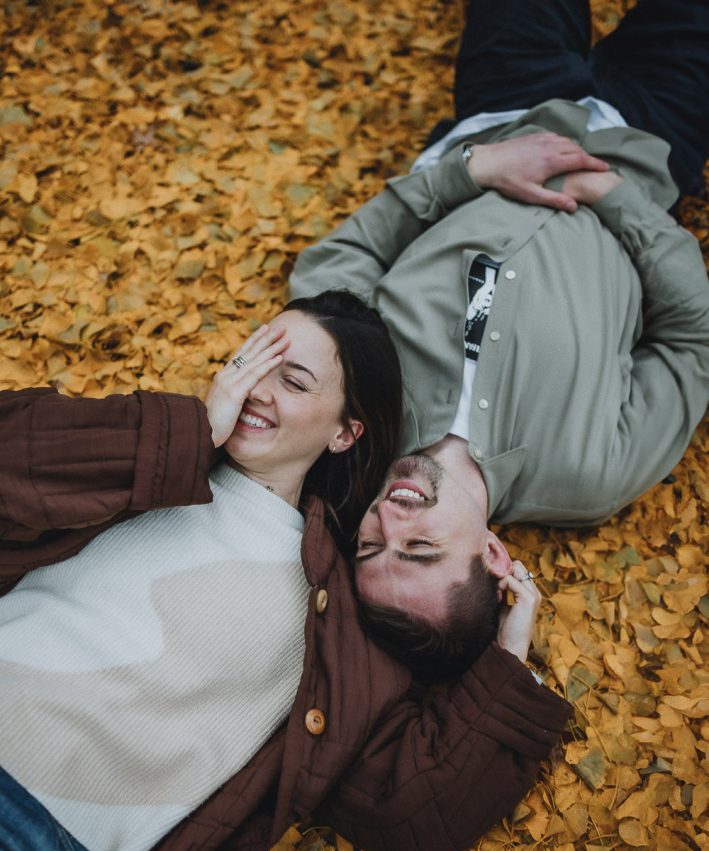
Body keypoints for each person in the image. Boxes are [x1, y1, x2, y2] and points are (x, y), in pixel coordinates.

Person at [0, 288, 571, 851]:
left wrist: (510, 654)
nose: (254, 389)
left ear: (344, 432)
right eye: (250, 361)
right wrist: (184, 435)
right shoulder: (155, 458)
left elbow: (413, 807)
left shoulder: (338, 612)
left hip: (36, 838)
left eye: (292, 379)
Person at [289, 0, 709, 666]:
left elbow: (336, 266)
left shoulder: (353, 405)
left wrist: (473, 171)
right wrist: (612, 198)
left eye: (369, 547)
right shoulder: (590, 474)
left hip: (499, 109)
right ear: (490, 554)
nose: (388, 522)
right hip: (648, 143)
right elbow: (691, 342)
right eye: (420, 548)